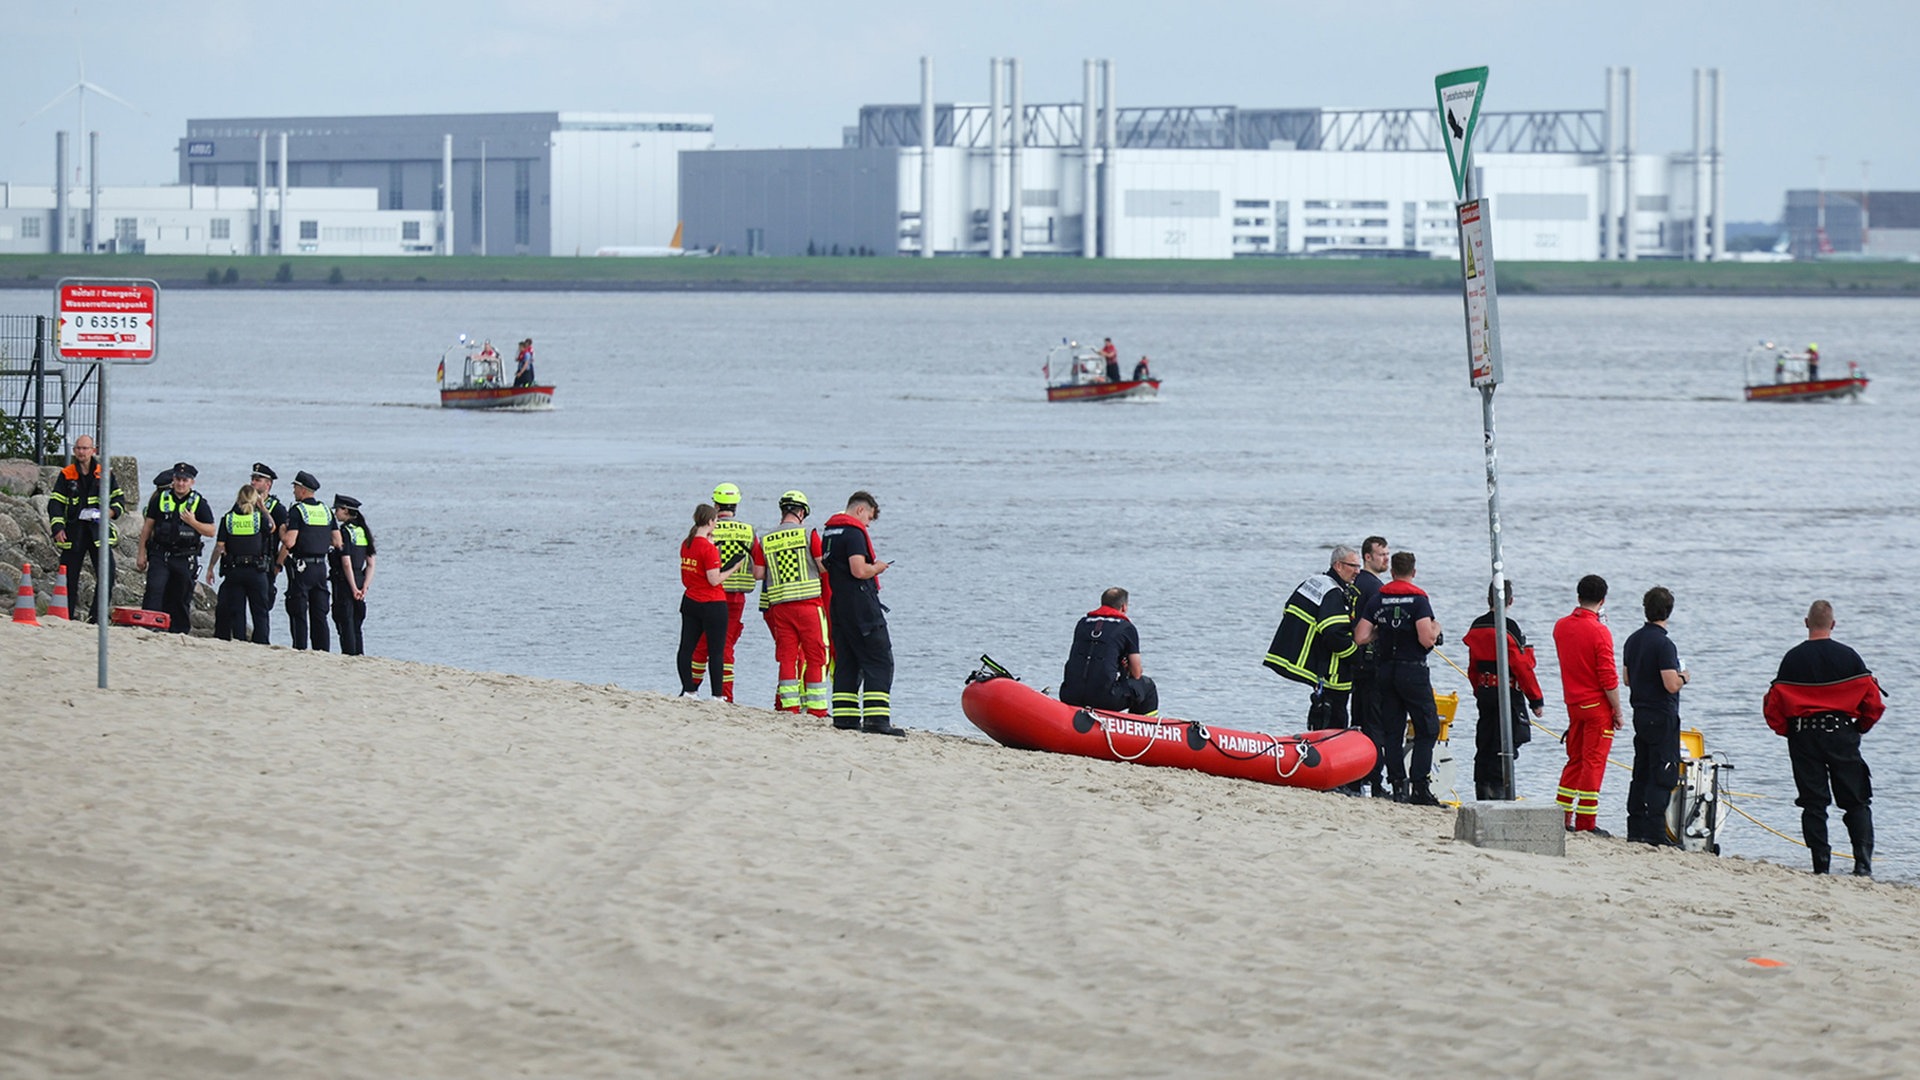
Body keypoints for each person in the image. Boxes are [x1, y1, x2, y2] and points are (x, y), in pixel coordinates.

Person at [1763, 600, 1885, 876]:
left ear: (1807, 623)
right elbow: (1873, 702)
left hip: (1803, 735)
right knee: (1856, 800)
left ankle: (1821, 867)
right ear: (1833, 624)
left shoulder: (1792, 659)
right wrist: (1860, 728)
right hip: (1842, 733)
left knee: (1813, 803)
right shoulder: (1850, 657)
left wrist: (1789, 732)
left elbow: (1773, 706)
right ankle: (1863, 866)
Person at [1354, 551, 1444, 805]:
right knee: (1427, 728)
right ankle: (1420, 787)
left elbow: (1360, 637)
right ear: (1413, 572)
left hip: (1385, 670)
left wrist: (1378, 634)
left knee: (1392, 730)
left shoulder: (1379, 598)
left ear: (1392, 572)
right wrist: (1437, 629)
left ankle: (1397, 785)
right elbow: (1426, 639)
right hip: (1412, 669)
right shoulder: (1419, 599)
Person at [821, 491, 904, 736]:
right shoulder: (854, 532)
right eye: (869, 517)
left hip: (839, 606)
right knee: (879, 661)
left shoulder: (829, 532)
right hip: (861, 606)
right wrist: (877, 568)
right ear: (860, 510)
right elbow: (858, 570)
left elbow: (826, 566)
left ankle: (845, 718)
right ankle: (876, 720)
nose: (868, 523)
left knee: (847, 661)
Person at [1552, 574, 1623, 835]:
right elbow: (1608, 678)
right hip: (1597, 707)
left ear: (1578, 596)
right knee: (1594, 763)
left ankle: (1561, 817)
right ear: (1603, 600)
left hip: (1573, 704)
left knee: (1575, 760)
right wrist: (1618, 711)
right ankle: (1585, 824)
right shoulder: (1600, 632)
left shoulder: (1560, 626)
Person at [1463, 580, 1546, 801]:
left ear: (1488, 599)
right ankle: (1499, 790)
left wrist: (1477, 689)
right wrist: (1536, 700)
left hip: (1485, 691)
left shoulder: (1477, 626)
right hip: (1507, 693)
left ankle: (1482, 788)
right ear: (1510, 601)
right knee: (1507, 740)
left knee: (1485, 740)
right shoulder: (1509, 627)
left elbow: (1472, 666)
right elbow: (1521, 667)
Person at [1264, 546, 1362, 731]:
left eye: (1359, 566)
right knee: (1335, 717)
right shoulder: (1334, 592)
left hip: (1318, 670)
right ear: (1338, 565)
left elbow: (1289, 610)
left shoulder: (1314, 582)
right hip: (1333, 673)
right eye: (1353, 566)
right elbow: (1334, 633)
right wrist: (1357, 656)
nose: (1358, 571)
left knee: (1321, 711)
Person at [751, 490, 829, 715]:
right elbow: (823, 566)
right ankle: (817, 709)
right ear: (802, 512)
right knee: (816, 655)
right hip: (808, 604)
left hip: (780, 607)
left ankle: (789, 707)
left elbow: (758, 574)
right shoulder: (808, 534)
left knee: (787, 657)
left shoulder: (766, 539)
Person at [1622, 587, 1689, 846]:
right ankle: (1656, 833)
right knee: (1663, 771)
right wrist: (1684, 676)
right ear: (1668, 612)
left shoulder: (1633, 640)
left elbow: (1627, 678)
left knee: (1641, 770)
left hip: (1640, 712)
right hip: (1662, 713)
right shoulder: (1664, 644)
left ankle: (1635, 826)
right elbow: (1671, 684)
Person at [47, 435, 125, 623]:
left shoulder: (104, 473)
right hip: (74, 532)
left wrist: (111, 512)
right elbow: (55, 503)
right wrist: (58, 528)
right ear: (74, 451)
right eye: (78, 448)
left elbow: (119, 499)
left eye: (85, 448)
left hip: (98, 531)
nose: (81, 452)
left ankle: (96, 617)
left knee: (107, 574)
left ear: (93, 450)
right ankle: (65, 615)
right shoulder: (67, 474)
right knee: (68, 576)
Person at [136, 462, 216, 634]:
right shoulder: (160, 498)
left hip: (184, 557)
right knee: (154, 591)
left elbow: (211, 531)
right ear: (173, 479)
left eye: (185, 480)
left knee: (180, 597)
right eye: (178, 479)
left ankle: (178, 632)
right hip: (160, 554)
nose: (181, 483)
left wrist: (193, 522)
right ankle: (149, 629)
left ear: (191, 482)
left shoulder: (199, 503)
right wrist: (141, 553)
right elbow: (147, 527)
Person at [693, 483, 755, 703]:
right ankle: (724, 696)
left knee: (703, 643)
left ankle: (692, 689)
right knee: (725, 644)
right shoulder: (748, 530)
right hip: (737, 596)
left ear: (715, 504)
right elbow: (757, 570)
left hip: (711, 593)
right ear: (735, 504)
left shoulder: (709, 528)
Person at [1059, 587, 1159, 716]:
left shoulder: (1082, 624)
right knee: (1147, 686)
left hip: (1070, 695)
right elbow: (1137, 673)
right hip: (1104, 699)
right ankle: (1142, 731)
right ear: (1124, 607)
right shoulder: (1127, 628)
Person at [278, 470, 340, 651]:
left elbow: (290, 542)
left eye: (296, 488)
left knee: (298, 610)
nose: (294, 491)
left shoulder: (298, 510)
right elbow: (337, 541)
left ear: (303, 490)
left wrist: (282, 531)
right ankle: (322, 650)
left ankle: (300, 648)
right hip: (321, 567)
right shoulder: (326, 510)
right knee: (319, 613)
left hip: (302, 567)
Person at [205, 485, 273, 644]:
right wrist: (264, 510)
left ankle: (240, 640)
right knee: (260, 612)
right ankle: (261, 643)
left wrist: (211, 567)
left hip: (235, 570)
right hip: (257, 571)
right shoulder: (258, 518)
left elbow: (220, 546)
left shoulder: (228, 519)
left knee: (238, 611)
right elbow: (272, 528)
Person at [1351, 536, 1392, 797]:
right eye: (1381, 555)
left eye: (1388, 554)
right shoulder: (1375, 588)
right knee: (1375, 724)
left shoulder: (1355, 583)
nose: (1386, 559)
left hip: (1355, 664)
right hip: (1371, 663)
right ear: (1367, 556)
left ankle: (1355, 776)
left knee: (1358, 720)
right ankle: (1374, 780)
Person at [677, 503, 729, 698]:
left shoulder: (686, 543)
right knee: (716, 652)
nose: (716, 524)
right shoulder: (709, 549)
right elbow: (714, 579)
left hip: (690, 599)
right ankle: (717, 695)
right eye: (715, 521)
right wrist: (732, 567)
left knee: (686, 648)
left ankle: (689, 689)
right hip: (712, 603)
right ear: (710, 521)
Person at [241, 463, 290, 643]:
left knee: (262, 606)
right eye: (252, 479)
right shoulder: (244, 504)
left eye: (258, 480)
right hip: (242, 563)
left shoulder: (277, 508)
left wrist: (279, 564)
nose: (253, 483)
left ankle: (261, 641)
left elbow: (286, 541)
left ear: (268, 484)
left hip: (266, 563)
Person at [330, 494, 376, 656]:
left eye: (337, 509)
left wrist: (353, 588)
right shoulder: (364, 531)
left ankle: (349, 654)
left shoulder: (345, 531)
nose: (335, 513)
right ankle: (359, 654)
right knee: (356, 623)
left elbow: (346, 562)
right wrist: (364, 587)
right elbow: (371, 563)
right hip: (360, 579)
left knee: (345, 620)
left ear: (346, 511)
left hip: (345, 581)